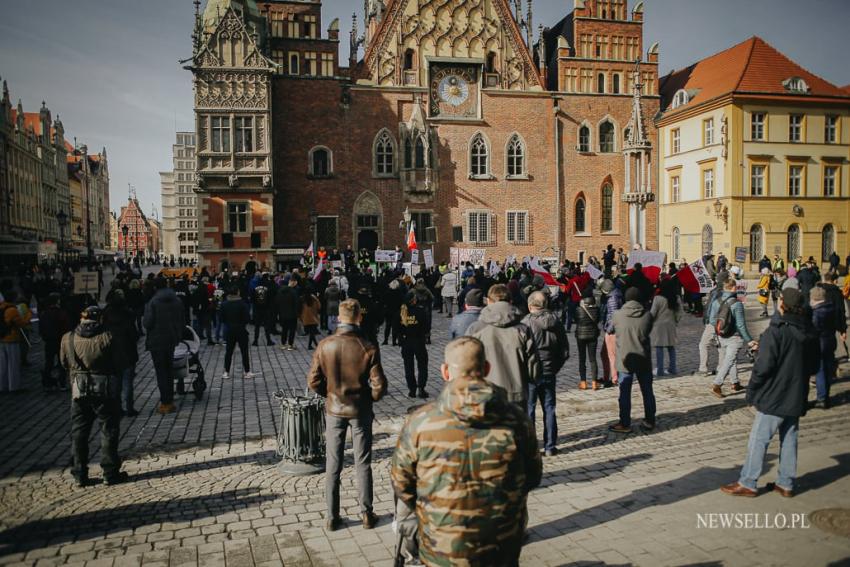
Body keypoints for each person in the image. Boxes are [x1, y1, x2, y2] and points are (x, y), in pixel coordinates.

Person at [391, 337, 542, 566]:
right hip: (501, 542)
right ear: (487, 369)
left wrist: (432, 510)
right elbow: (532, 476)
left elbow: (402, 484)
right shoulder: (516, 420)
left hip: (442, 544)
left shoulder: (419, 423)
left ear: (445, 371)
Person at [721, 289, 820, 498]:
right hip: (796, 392)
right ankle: (786, 483)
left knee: (759, 438)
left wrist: (753, 390)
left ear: (783, 304)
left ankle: (748, 481)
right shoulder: (809, 330)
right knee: (790, 437)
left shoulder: (777, 331)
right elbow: (814, 366)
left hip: (775, 395)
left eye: (780, 299)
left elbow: (763, 367)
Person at [307, 299, 387, 531]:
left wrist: (330, 393)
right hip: (360, 410)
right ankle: (366, 514)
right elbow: (379, 385)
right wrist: (367, 398)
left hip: (334, 409)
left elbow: (313, 381)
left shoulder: (325, 344)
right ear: (359, 317)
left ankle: (332, 516)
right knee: (363, 463)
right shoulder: (367, 346)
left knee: (333, 464)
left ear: (339, 318)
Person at [60, 306, 128, 486]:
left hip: (79, 389)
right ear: (100, 320)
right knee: (108, 430)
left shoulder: (68, 338)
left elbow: (64, 362)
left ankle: (79, 473)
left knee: (79, 432)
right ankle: (110, 472)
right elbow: (120, 362)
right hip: (105, 389)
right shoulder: (108, 336)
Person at [466, 284, 541, 406]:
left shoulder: (475, 329)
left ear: (489, 301)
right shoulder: (523, 330)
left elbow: (467, 365)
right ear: (510, 301)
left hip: (485, 395)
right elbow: (533, 368)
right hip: (516, 394)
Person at [523, 291, 568, 456]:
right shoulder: (556, 321)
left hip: (531, 373)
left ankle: (531, 446)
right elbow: (565, 350)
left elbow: (520, 350)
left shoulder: (525, 323)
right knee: (549, 408)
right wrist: (554, 367)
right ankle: (550, 446)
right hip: (549, 370)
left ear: (530, 306)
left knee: (530, 408)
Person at [609, 288, 656, 433]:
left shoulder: (617, 315)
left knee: (624, 392)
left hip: (625, 358)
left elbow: (610, 329)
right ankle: (650, 420)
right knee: (647, 391)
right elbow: (647, 331)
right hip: (643, 357)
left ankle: (625, 423)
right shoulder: (647, 315)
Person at [143, 278, 185, 414]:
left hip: (157, 341)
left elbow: (147, 323)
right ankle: (170, 398)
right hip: (172, 339)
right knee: (168, 368)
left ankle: (166, 402)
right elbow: (182, 319)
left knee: (161, 371)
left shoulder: (153, 302)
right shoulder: (177, 300)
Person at [711, 278, 757, 398]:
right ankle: (717, 384)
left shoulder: (716, 301)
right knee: (729, 360)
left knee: (732, 359)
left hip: (721, 335)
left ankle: (735, 382)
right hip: (734, 337)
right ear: (733, 288)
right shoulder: (737, 303)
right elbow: (741, 325)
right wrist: (749, 340)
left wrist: (719, 330)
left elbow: (712, 320)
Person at [103, 291, 140, 416]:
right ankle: (129, 407)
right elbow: (134, 335)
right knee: (128, 382)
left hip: (112, 353)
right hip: (128, 352)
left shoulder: (105, 317)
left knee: (115, 383)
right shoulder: (127, 316)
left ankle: (117, 407)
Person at [698, 272, 729, 377]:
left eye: (717, 278)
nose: (715, 280)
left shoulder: (722, 292)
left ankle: (703, 369)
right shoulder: (716, 291)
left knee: (704, 344)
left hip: (715, 322)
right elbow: (709, 306)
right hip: (714, 322)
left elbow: (716, 309)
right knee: (719, 346)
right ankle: (720, 368)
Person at [810, 286, 836, 409]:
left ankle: (822, 398)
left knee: (820, 370)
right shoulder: (831, 307)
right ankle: (827, 395)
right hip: (831, 340)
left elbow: (813, 330)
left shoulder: (816, 313)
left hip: (820, 343)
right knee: (828, 369)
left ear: (814, 298)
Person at [221, 287, 255, 380]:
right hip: (241, 330)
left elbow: (222, 318)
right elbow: (247, 318)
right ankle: (247, 371)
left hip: (229, 330)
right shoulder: (242, 304)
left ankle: (226, 372)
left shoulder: (224, 304)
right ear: (237, 293)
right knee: (244, 352)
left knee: (229, 352)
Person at [39, 293, 70, 392]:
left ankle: (47, 383)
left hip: (49, 341)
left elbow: (41, 328)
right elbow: (65, 327)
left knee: (49, 362)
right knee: (62, 363)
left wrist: (45, 337)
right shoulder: (61, 313)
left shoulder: (44, 313)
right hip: (60, 341)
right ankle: (62, 383)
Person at [650, 279, 682, 377]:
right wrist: (675, 321)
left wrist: (650, 321)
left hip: (659, 326)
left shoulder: (658, 298)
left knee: (659, 348)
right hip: (671, 324)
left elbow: (653, 312)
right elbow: (680, 313)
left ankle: (660, 369)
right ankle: (672, 368)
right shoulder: (676, 298)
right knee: (671, 347)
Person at [575, 287, 601, 390]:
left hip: (581, 335)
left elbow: (576, 320)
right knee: (593, 359)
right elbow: (598, 320)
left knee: (582, 359)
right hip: (593, 335)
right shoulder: (596, 310)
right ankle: (594, 382)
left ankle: (583, 382)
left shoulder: (578, 309)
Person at [0, 291, 24, 393]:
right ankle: (14, 386)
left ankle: (2, 385)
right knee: (13, 363)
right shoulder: (13, 310)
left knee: (2, 364)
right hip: (12, 338)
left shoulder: (1, 308)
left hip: (1, 338)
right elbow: (21, 323)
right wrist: (27, 316)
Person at [600, 278, 623, 386]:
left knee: (611, 355)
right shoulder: (615, 295)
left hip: (612, 330)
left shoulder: (612, 298)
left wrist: (609, 329)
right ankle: (607, 376)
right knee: (604, 354)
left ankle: (614, 378)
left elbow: (613, 315)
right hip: (611, 329)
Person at [275, 279, 299, 351]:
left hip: (282, 314)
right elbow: (296, 304)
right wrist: (297, 313)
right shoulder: (293, 292)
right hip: (292, 315)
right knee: (292, 330)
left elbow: (277, 303)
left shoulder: (280, 292)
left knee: (284, 329)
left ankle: (283, 344)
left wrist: (278, 313)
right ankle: (290, 345)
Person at [251, 278, 275, 346]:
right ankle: (268, 341)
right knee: (266, 326)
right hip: (265, 310)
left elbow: (252, 300)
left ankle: (255, 341)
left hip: (257, 310)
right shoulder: (267, 289)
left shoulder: (255, 289)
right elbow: (270, 300)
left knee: (257, 326)